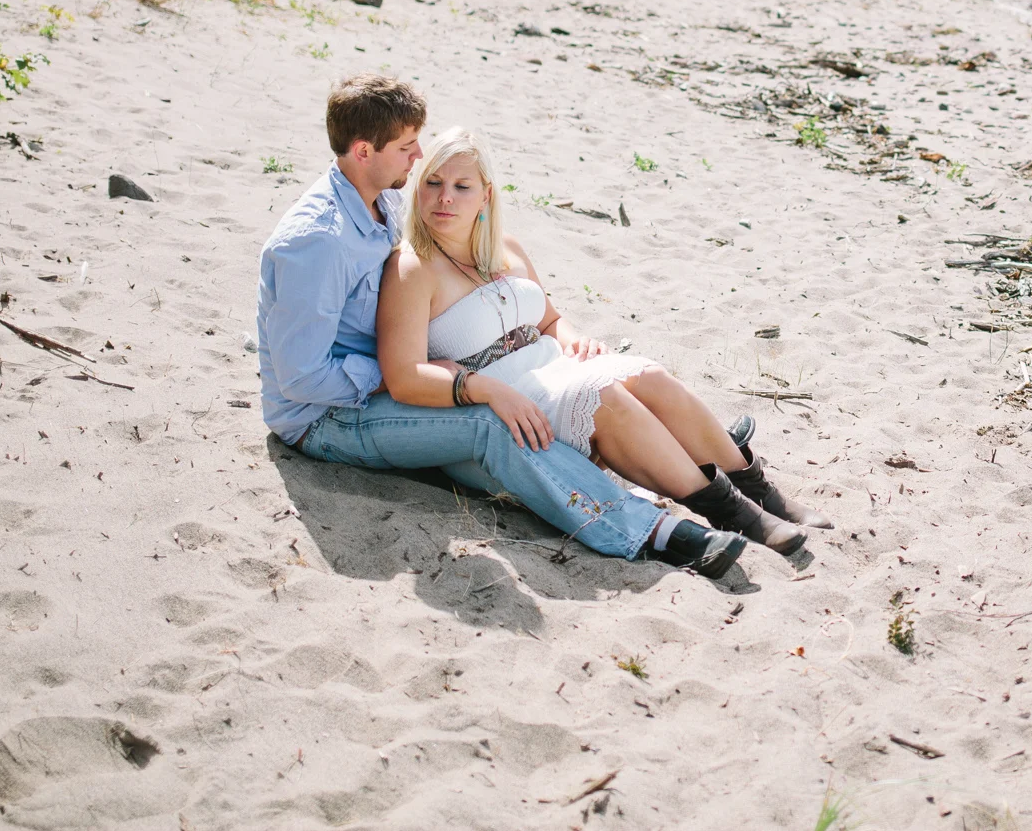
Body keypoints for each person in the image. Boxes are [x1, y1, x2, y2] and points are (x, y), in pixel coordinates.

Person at [257, 74, 747, 578]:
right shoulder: (316, 242)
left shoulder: (381, 199)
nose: (417, 155)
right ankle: (651, 531)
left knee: (538, 403)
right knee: (492, 423)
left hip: (393, 377)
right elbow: (301, 378)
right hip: (324, 417)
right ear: (363, 151)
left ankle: (693, 455)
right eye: (406, 147)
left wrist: (436, 368)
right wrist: (413, 374)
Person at [377, 126, 829, 557]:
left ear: (486, 195)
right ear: (417, 188)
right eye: (433, 183)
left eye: (462, 186)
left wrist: (577, 339)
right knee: (605, 396)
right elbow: (402, 378)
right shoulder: (412, 269)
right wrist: (480, 387)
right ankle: (732, 513)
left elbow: (550, 318)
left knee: (648, 374)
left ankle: (758, 491)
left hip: (554, 369)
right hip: (510, 405)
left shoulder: (505, 248)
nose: (445, 198)